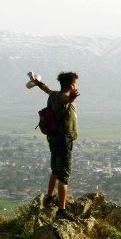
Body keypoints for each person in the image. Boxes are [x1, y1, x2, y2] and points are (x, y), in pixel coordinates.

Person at [31, 71, 79, 218]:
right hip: (63, 141)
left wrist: (37, 82)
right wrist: (72, 96)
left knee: (55, 171)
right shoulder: (65, 98)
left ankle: (50, 197)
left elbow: (46, 89)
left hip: (53, 139)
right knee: (63, 177)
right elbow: (67, 100)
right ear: (72, 85)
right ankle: (61, 210)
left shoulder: (54, 95)